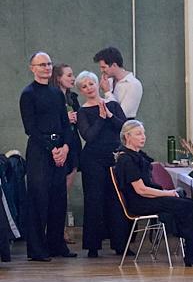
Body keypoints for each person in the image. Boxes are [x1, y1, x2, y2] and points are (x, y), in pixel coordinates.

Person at [113, 120, 193, 267]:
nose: (143, 137)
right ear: (127, 136)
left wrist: (167, 193)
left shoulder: (136, 156)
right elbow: (141, 190)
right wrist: (167, 194)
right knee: (191, 209)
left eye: (143, 133)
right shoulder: (126, 160)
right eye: (138, 134)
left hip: (148, 198)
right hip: (141, 202)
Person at [19, 51, 75, 261]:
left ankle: (56, 245)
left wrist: (66, 147)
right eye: (41, 64)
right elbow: (30, 128)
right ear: (32, 68)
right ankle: (36, 250)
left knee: (58, 199)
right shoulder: (28, 94)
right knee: (38, 200)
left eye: (49, 64)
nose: (46, 67)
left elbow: (65, 124)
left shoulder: (56, 94)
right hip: (40, 152)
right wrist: (52, 149)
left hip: (60, 148)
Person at [75, 71, 129, 258]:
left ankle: (121, 244)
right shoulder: (82, 112)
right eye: (84, 86)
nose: (89, 88)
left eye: (91, 84)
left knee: (117, 200)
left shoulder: (112, 104)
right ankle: (92, 246)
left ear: (98, 84)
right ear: (81, 91)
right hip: (92, 160)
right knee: (94, 200)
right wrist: (100, 117)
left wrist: (109, 115)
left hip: (114, 158)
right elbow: (88, 136)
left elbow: (124, 128)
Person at [49, 64, 81, 237]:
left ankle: (62, 229)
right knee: (58, 190)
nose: (72, 78)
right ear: (59, 78)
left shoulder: (72, 98)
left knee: (66, 189)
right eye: (69, 75)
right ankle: (56, 230)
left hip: (73, 143)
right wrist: (64, 118)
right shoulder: (52, 98)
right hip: (58, 144)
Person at [93, 46, 143, 118]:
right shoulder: (109, 82)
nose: (101, 71)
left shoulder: (133, 84)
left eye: (104, 67)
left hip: (126, 127)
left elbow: (122, 114)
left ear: (114, 65)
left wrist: (107, 92)